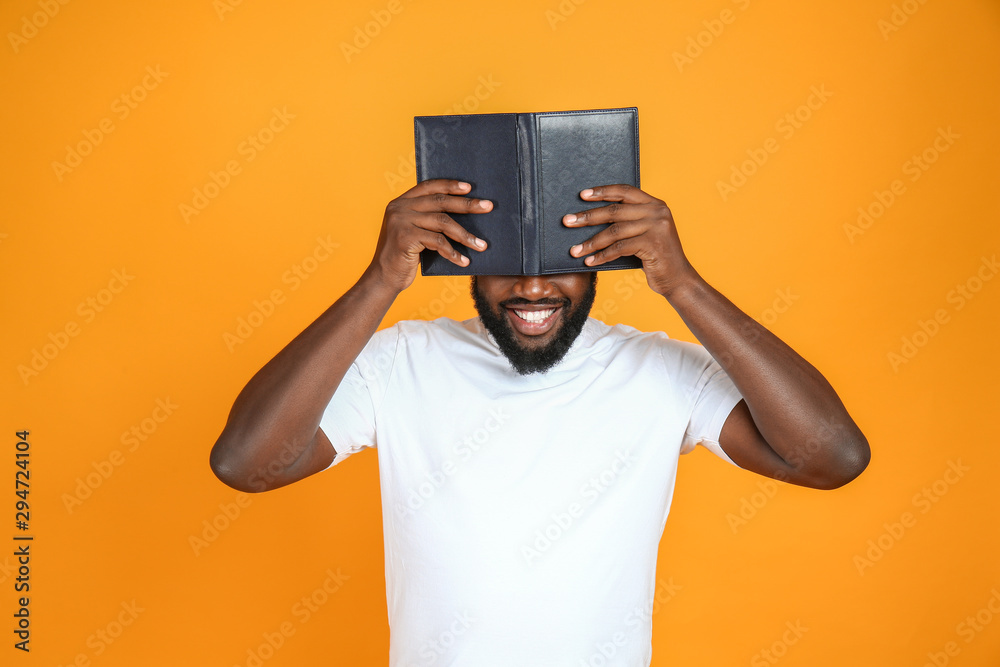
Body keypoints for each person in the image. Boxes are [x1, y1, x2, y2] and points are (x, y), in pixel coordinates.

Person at [210, 179, 870, 666]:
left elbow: (831, 455)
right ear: (465, 255)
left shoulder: (660, 372)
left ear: (600, 256)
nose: (531, 286)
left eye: (557, 255)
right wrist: (378, 281)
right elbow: (246, 462)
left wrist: (683, 285)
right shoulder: (401, 361)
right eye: (509, 259)